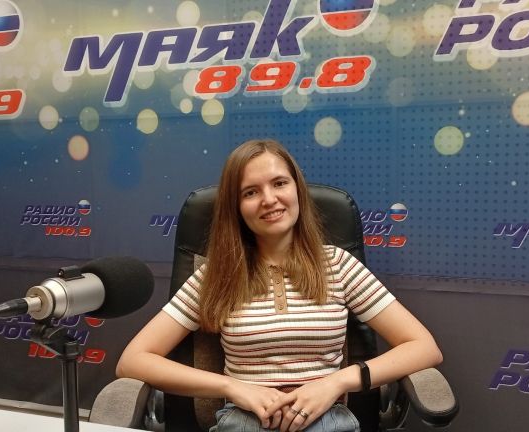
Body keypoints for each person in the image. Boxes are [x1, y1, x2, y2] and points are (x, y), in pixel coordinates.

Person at [116, 139, 443, 432]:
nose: (269, 199)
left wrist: (336, 382)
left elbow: (423, 347)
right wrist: (232, 387)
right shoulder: (216, 274)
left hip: (326, 418)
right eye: (250, 192)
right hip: (244, 421)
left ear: (296, 189)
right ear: (236, 207)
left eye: (279, 183)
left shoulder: (337, 264)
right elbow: (133, 360)